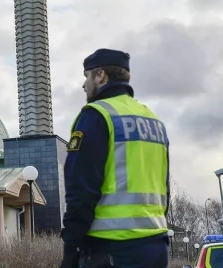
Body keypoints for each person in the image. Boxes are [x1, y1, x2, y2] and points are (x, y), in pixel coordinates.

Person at [59, 49, 170, 268]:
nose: (84, 85)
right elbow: (165, 187)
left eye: (86, 76)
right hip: (156, 246)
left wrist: (71, 250)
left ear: (100, 75)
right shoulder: (153, 120)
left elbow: (81, 190)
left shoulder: (96, 116)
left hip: (111, 250)